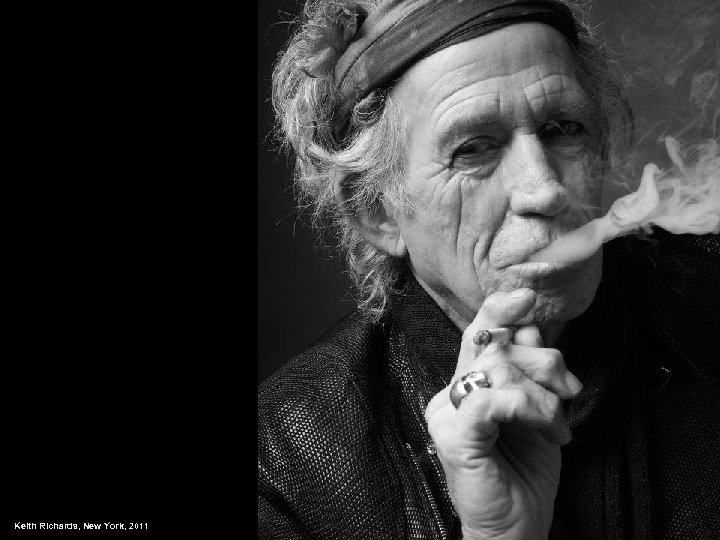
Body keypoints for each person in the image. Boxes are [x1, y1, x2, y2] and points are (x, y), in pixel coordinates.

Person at [258, 1, 720, 538]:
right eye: (473, 148)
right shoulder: (285, 463)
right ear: (377, 212)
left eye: (562, 127)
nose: (545, 189)